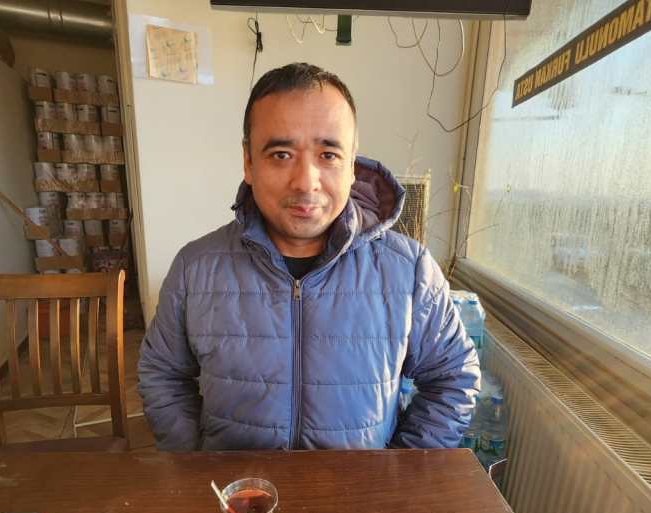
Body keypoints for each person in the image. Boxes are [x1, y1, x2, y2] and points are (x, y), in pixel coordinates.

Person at [137, 62, 479, 451]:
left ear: (352, 165)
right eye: (281, 154)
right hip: (240, 489)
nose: (305, 182)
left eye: (328, 154)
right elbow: (162, 373)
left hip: (361, 487)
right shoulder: (194, 268)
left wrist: (397, 471)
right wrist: (196, 464)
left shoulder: (409, 271)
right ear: (248, 162)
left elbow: (454, 377)